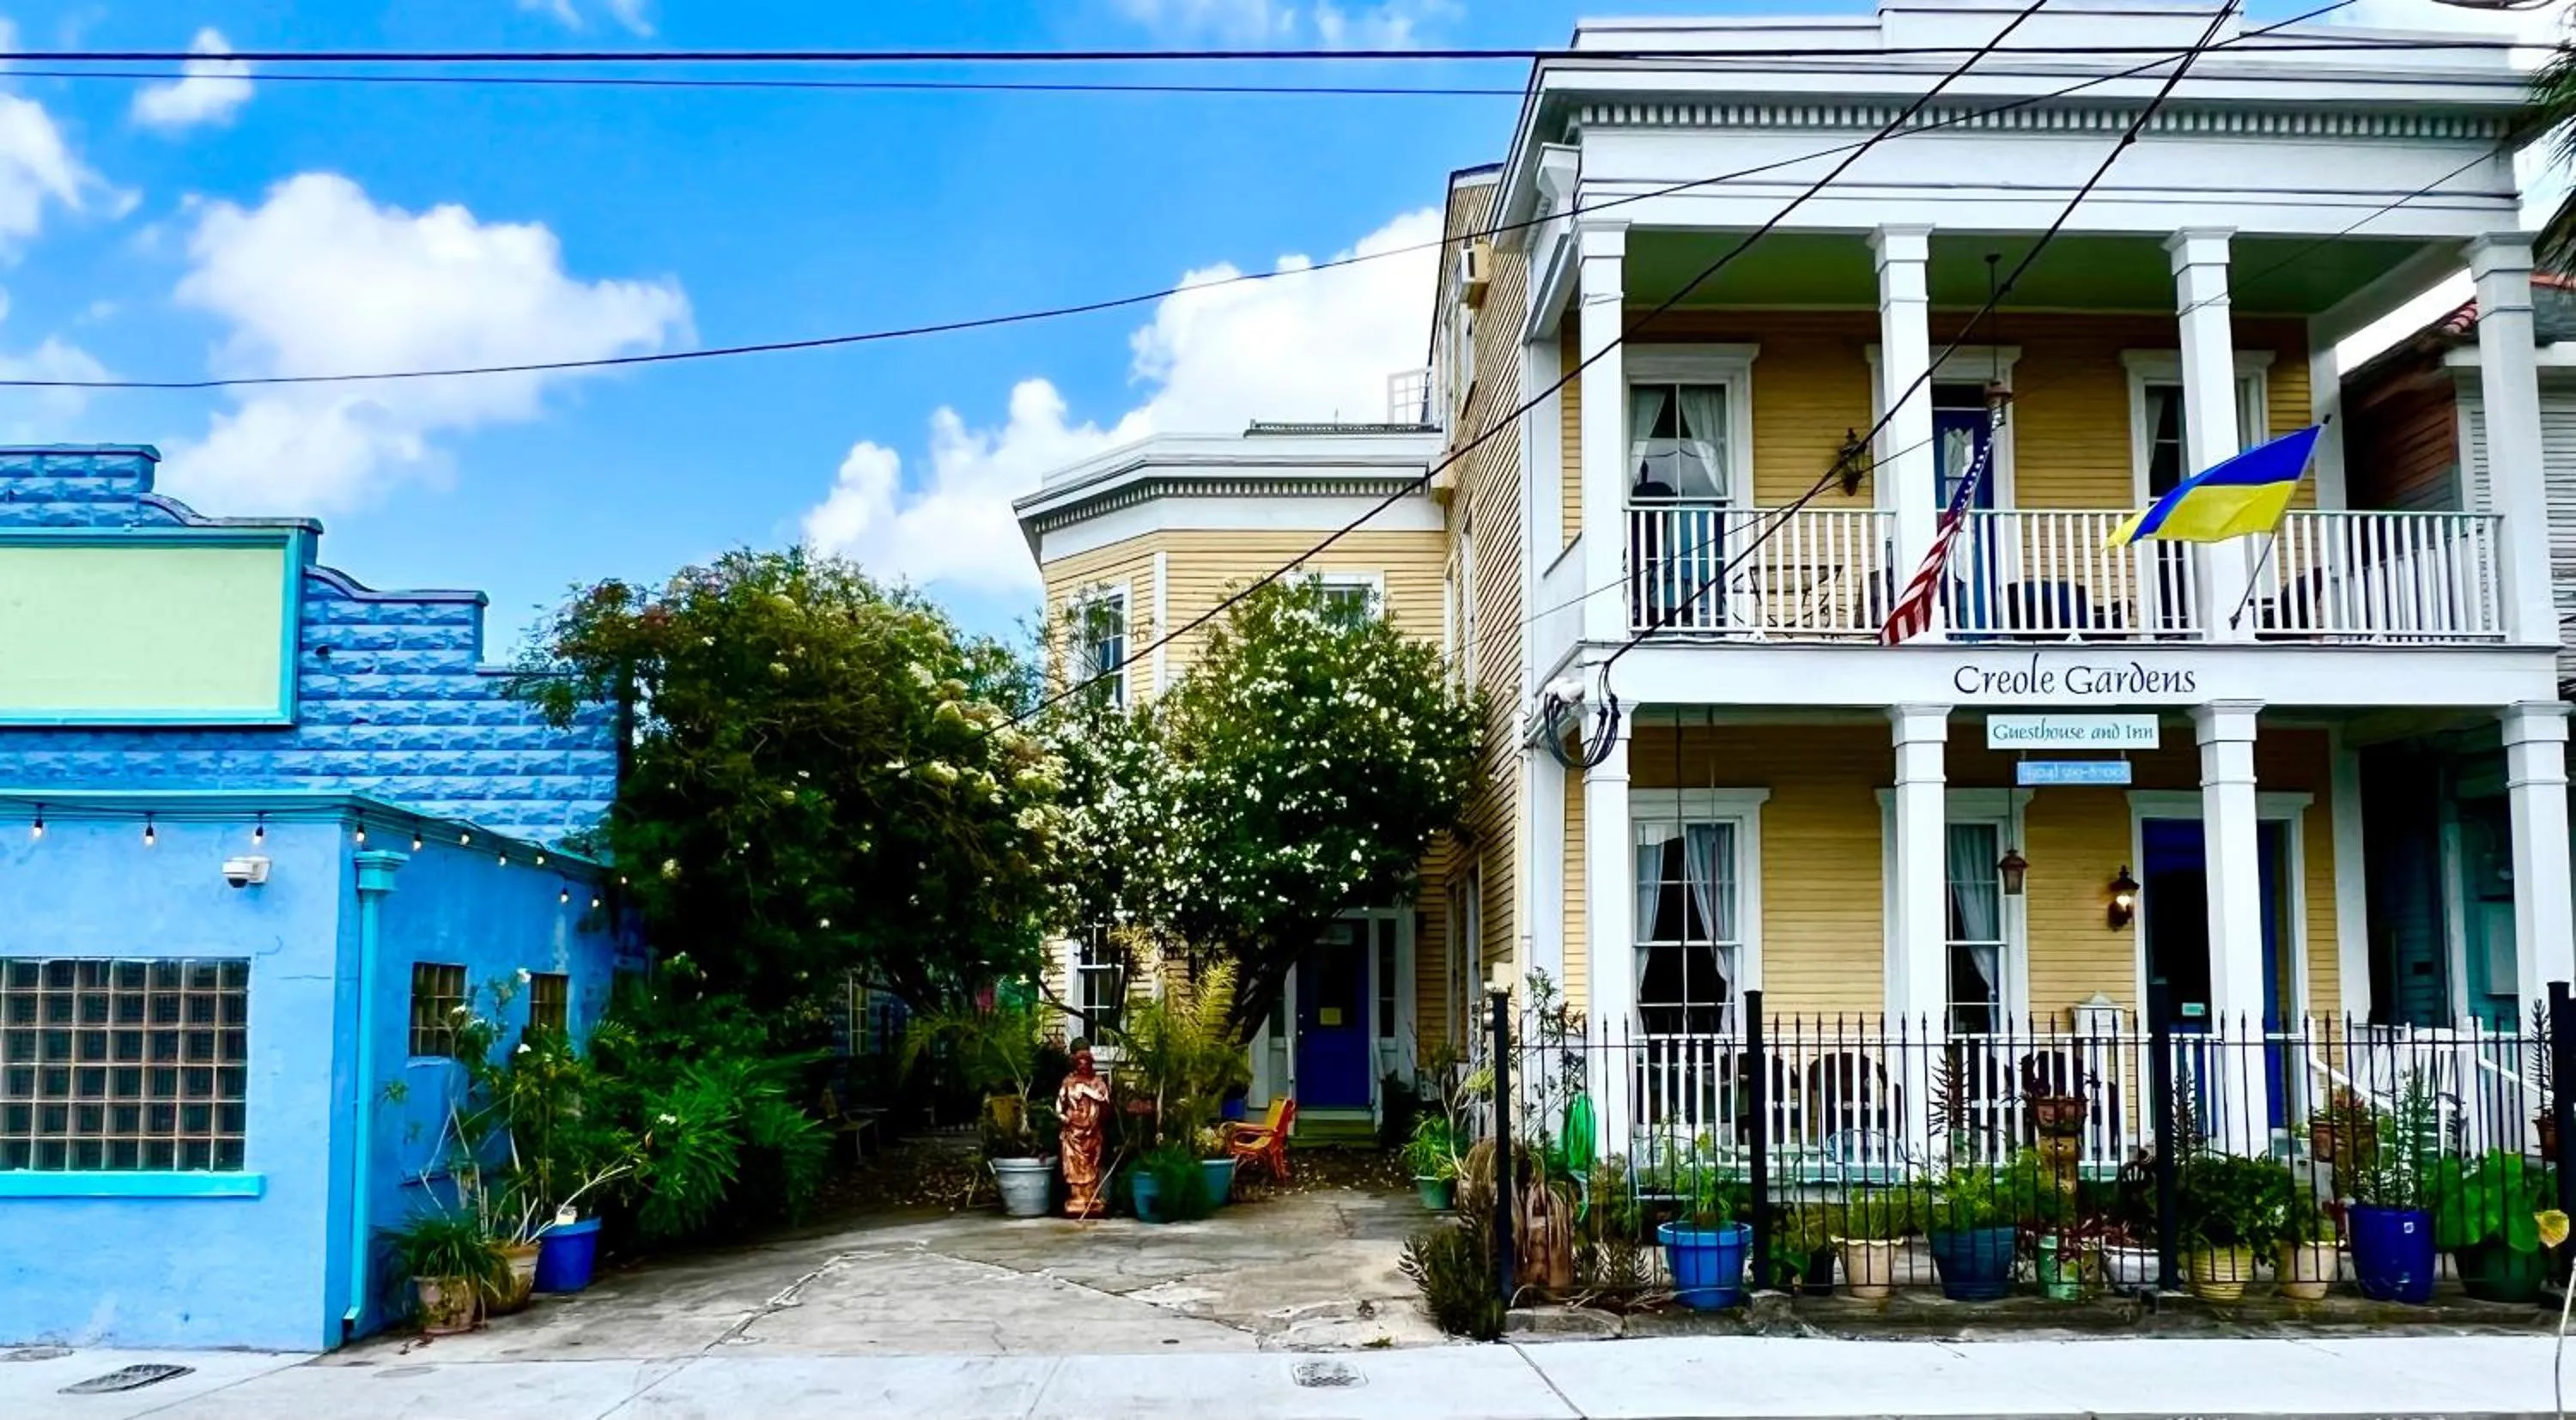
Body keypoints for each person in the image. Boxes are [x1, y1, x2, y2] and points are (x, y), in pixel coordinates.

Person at [1057, 1041, 1112, 1218]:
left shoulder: (1098, 1083)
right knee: (1074, 1165)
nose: (1083, 1066)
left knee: (1092, 1164)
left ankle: (1091, 1198)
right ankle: (1077, 1198)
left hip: (1092, 1132)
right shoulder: (1068, 1082)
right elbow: (1059, 1106)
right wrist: (1064, 1118)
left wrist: (1090, 1093)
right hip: (1073, 1133)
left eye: (1086, 1061)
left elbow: (1106, 1106)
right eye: (1079, 1062)